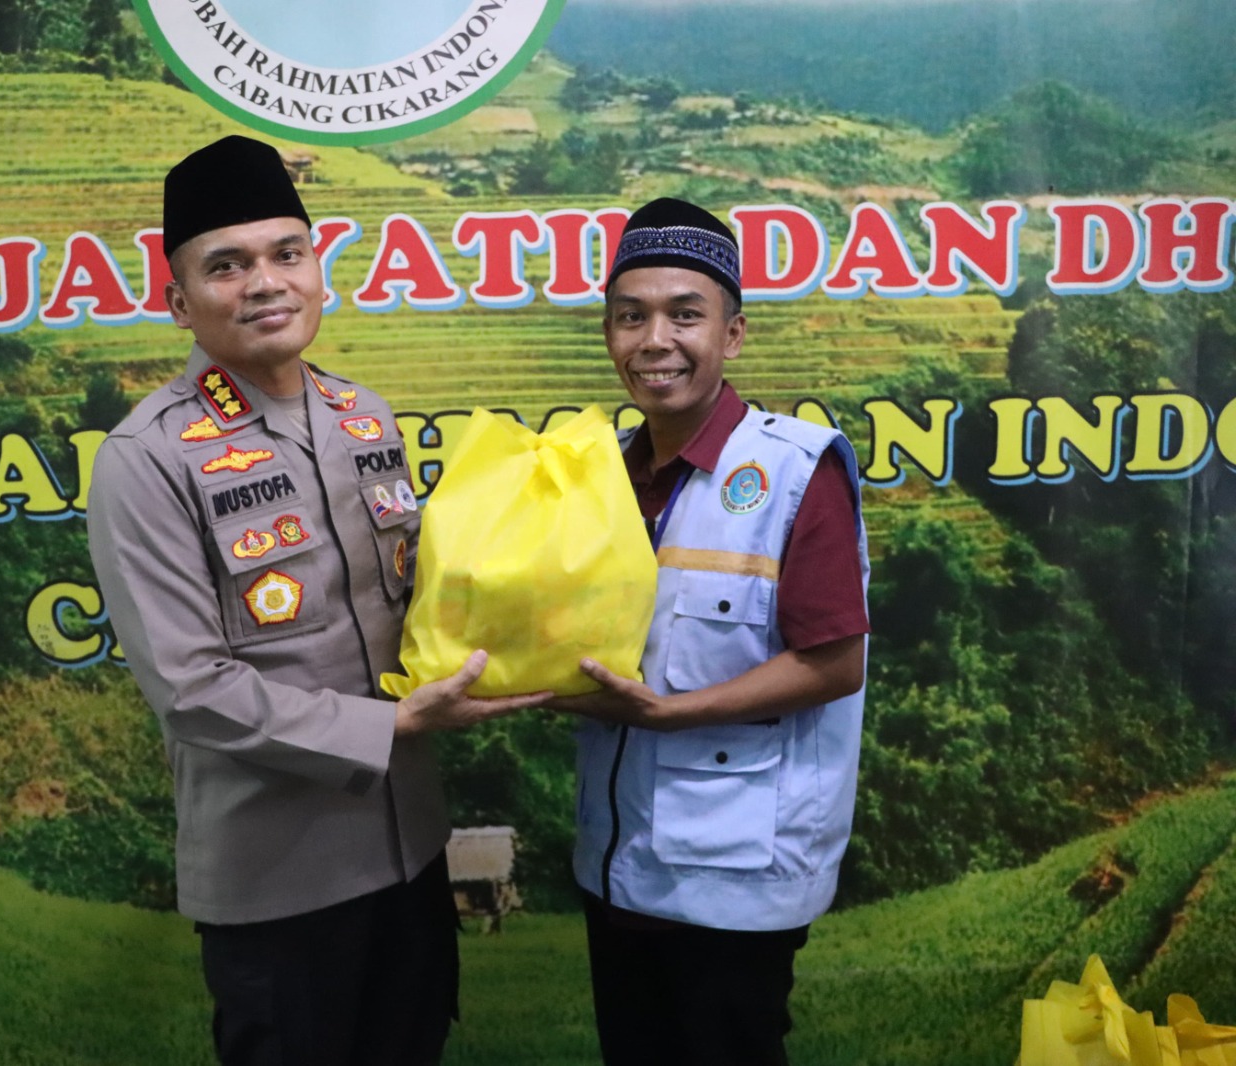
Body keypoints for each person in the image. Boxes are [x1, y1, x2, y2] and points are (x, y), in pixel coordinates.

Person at [86, 134, 546, 1066]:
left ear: (315, 270)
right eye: (228, 265)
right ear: (178, 300)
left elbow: (421, 597)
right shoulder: (146, 459)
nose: (265, 283)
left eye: (285, 254)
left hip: (412, 855)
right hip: (277, 884)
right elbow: (191, 688)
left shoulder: (362, 416)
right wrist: (392, 729)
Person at [548, 197, 870, 1066]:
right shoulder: (604, 476)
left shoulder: (795, 469)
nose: (656, 340)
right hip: (620, 861)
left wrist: (670, 714)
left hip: (736, 875)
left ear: (732, 334)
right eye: (631, 316)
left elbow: (836, 662)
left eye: (685, 314)